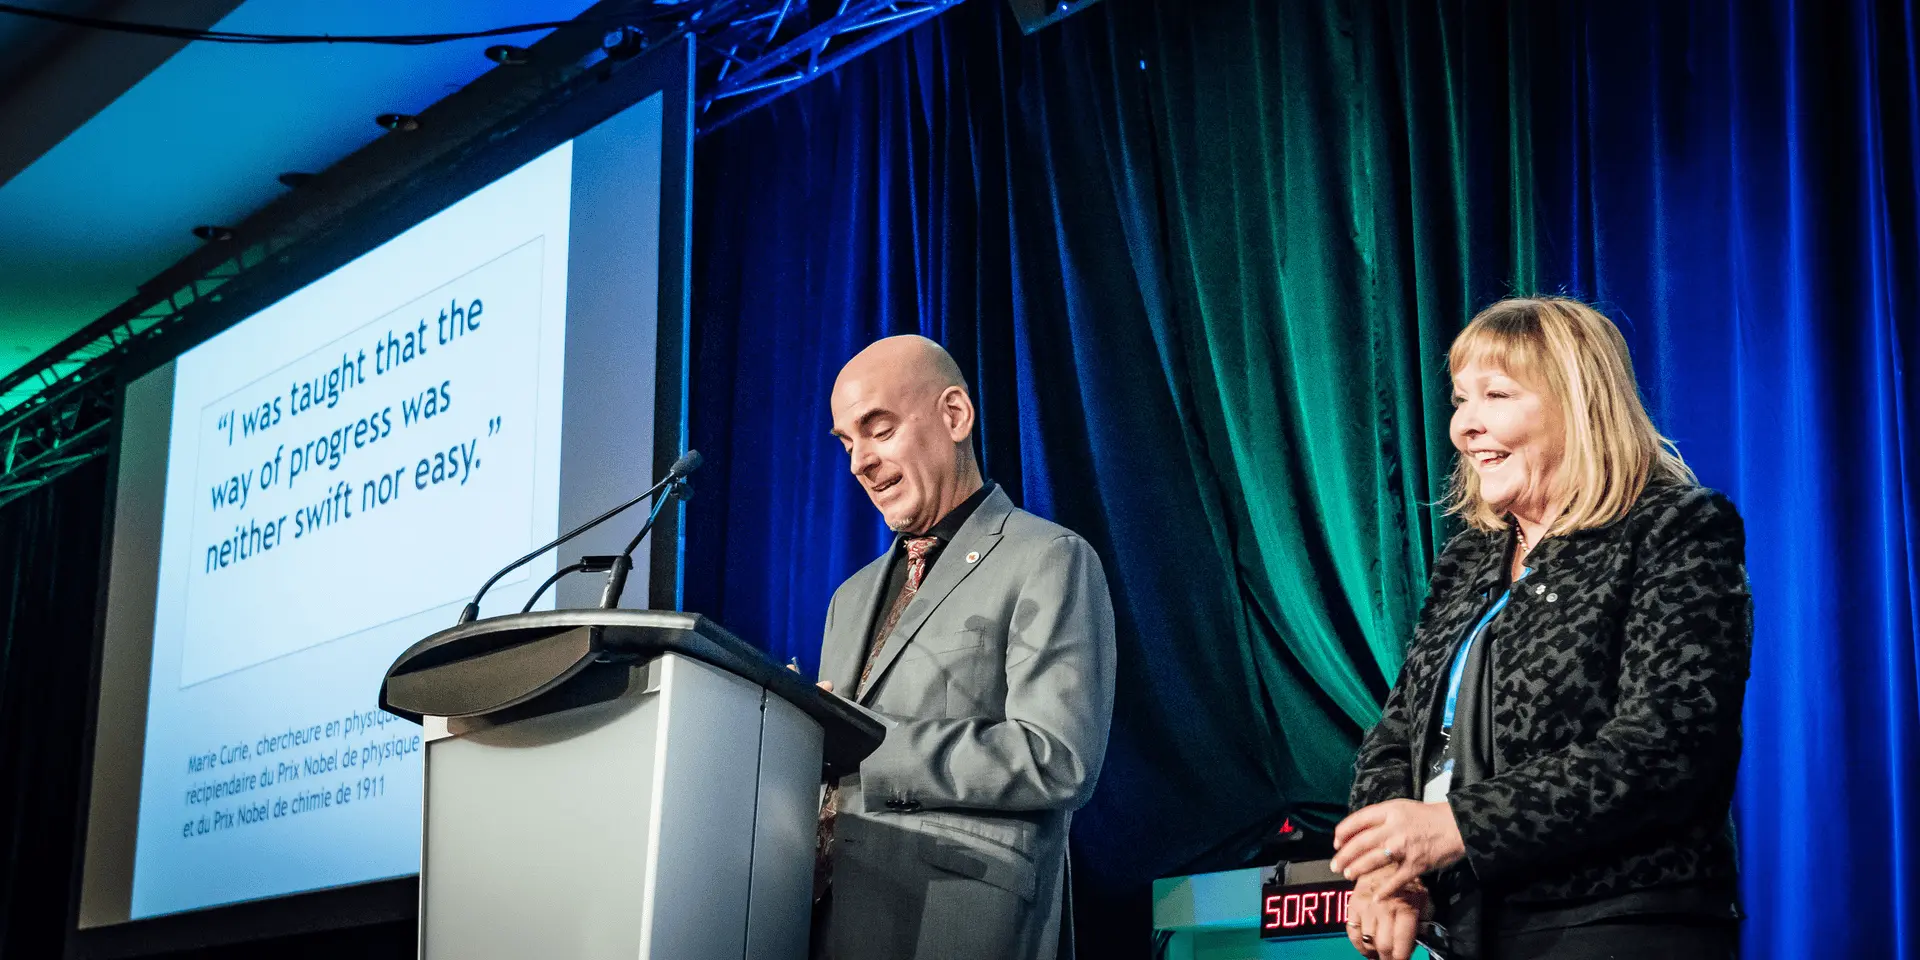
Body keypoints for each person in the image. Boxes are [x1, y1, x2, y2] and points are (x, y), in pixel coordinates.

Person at [1329, 297, 1752, 960]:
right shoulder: (1469, 557)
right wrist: (1391, 869)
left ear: (1579, 406)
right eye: (1460, 400)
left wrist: (1457, 826)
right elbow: (1398, 733)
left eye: (1496, 395)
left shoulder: (1675, 529)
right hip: (1473, 928)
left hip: (1618, 922)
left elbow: (1669, 747)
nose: (1465, 427)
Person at [810, 335, 1117, 960]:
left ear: (954, 415)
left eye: (879, 430)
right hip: (828, 925)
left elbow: (1055, 758)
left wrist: (862, 743)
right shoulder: (849, 597)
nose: (860, 462)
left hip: (957, 922)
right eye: (846, 443)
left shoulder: (1048, 558)